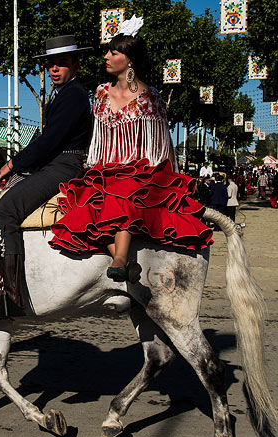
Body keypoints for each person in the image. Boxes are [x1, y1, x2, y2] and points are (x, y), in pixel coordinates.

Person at [49, 17, 212, 282]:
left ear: (130, 60)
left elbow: (161, 145)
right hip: (104, 168)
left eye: (113, 52)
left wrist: (165, 177)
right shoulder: (100, 93)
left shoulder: (150, 97)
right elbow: (96, 139)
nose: (106, 57)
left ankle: (121, 258)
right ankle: (121, 261)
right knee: (84, 207)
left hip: (141, 170)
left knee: (123, 193)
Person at [0, 35, 92, 319]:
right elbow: (44, 140)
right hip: (54, 163)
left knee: (4, 212)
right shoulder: (63, 95)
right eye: (50, 64)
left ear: (75, 65)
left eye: (61, 64)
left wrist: (14, 164)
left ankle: (9, 296)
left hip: (63, 165)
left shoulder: (74, 95)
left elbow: (50, 141)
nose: (54, 69)